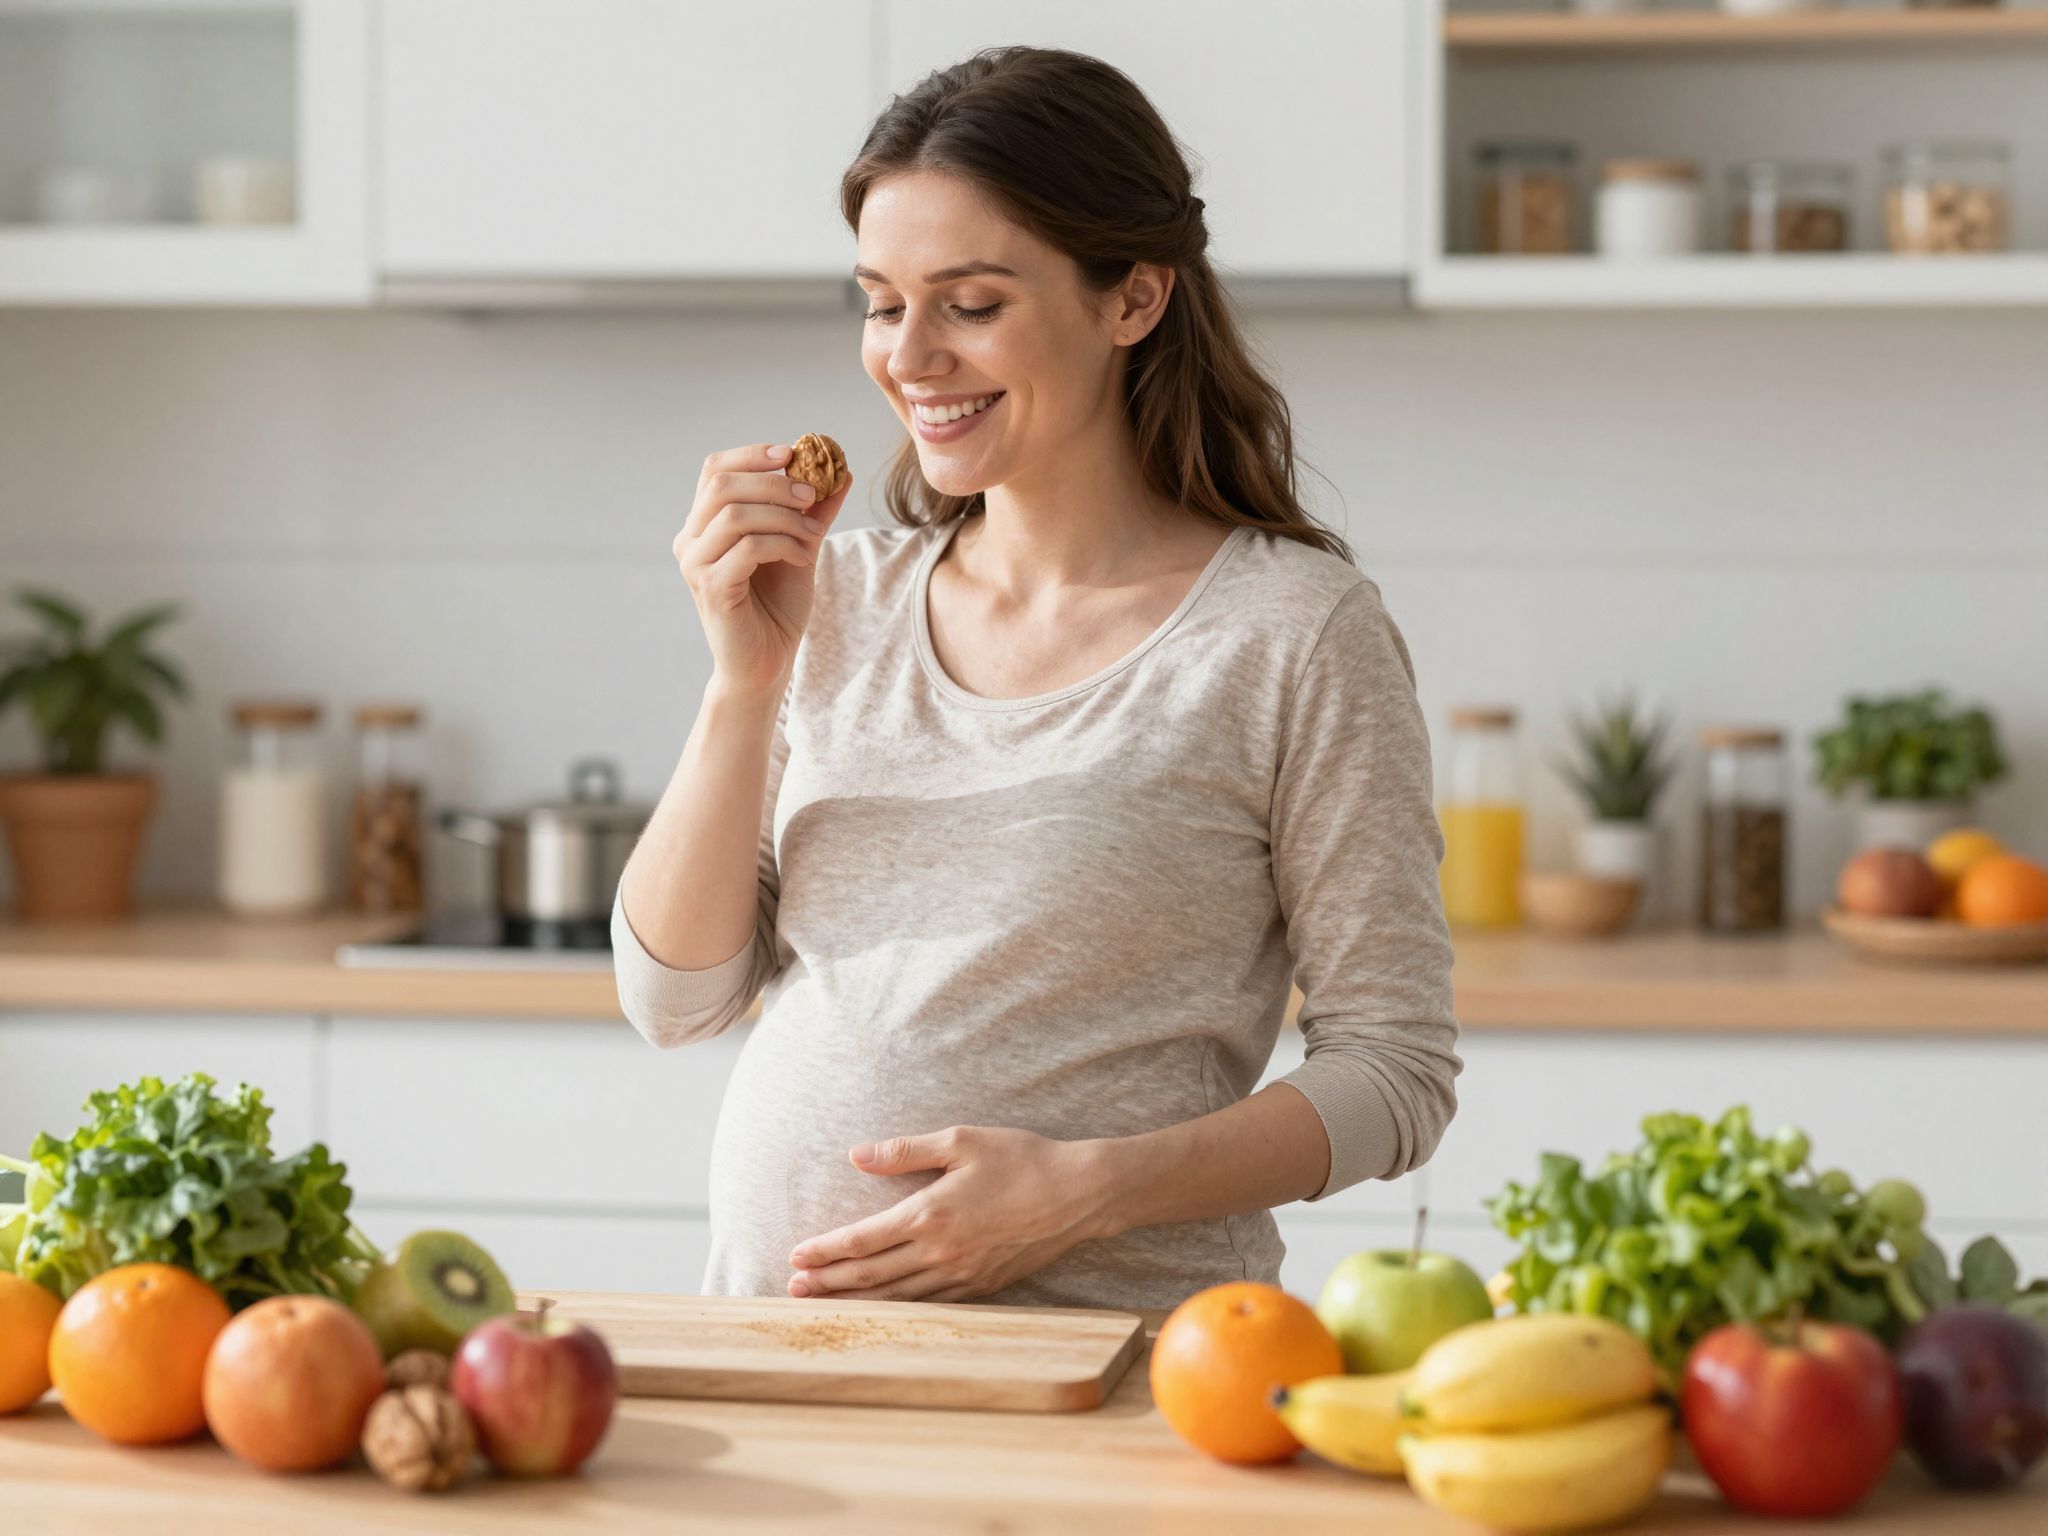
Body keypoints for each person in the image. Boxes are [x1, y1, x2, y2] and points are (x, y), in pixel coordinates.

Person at [614, 46, 1458, 1311]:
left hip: (1108, 1368)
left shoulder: (1292, 632)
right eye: (881, 301)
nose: (908, 357)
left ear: (1131, 299)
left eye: (970, 303)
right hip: (785, 1349)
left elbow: (1394, 1073)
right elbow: (672, 1002)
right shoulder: (837, 599)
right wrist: (744, 680)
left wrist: (1084, 1190)